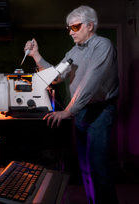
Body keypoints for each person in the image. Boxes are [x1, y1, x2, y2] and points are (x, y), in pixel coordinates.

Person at [24, 5, 119, 204]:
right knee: (84, 166)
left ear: (90, 26)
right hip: (81, 111)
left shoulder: (103, 45)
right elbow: (55, 76)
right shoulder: (74, 51)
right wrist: (36, 55)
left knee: (97, 167)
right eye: (69, 28)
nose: (70, 32)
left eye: (75, 27)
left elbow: (90, 83)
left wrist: (67, 111)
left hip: (100, 111)